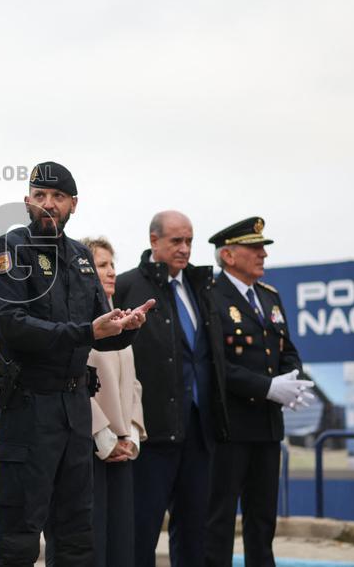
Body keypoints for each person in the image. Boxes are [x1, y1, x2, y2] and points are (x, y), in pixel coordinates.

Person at [0, 160, 154, 567]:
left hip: (75, 411)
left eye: (57, 197)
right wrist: (88, 332)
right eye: (40, 196)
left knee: (77, 536)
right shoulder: (7, 250)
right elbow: (11, 325)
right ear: (27, 201)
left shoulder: (79, 257)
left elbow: (101, 328)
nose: (48, 204)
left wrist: (127, 327)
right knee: (19, 537)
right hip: (28, 407)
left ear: (73, 204)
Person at [112, 211, 229, 567]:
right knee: (141, 531)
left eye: (189, 241)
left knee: (195, 532)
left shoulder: (200, 287)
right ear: (154, 241)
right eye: (176, 241)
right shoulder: (128, 286)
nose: (184, 249)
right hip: (153, 432)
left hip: (198, 430)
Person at [205, 217, 313, 567]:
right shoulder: (211, 297)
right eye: (254, 248)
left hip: (267, 427)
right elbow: (217, 364)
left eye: (262, 248)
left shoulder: (270, 297)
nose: (262, 254)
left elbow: (287, 349)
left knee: (263, 518)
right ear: (228, 255)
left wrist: (292, 382)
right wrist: (268, 387)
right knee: (219, 518)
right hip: (230, 426)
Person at [80, 237, 145, 567]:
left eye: (111, 265)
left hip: (123, 449)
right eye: (100, 265)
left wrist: (131, 435)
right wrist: (103, 437)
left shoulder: (119, 318)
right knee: (94, 544)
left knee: (122, 543)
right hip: (92, 449)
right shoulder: (81, 323)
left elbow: (132, 385)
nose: (110, 272)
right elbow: (76, 383)